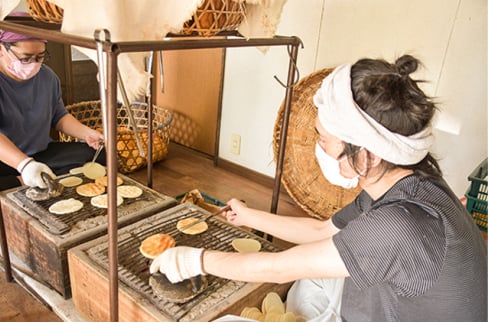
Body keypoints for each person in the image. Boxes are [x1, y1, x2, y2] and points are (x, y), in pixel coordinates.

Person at [150, 55, 487, 321]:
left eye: (324, 140)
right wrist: (248, 215)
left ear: (367, 155)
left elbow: (280, 266)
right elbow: (320, 229)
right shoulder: (407, 182)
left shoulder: (400, 225)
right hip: (401, 306)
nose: (319, 149)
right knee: (312, 282)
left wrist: (196, 260)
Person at [0, 27, 105, 232]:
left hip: (39, 153)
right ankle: (30, 184)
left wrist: (87, 133)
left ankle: (31, 186)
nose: (34, 64)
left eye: (40, 56)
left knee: (98, 156)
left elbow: (59, 117)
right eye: (25, 58)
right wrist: (24, 167)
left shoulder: (47, 78)